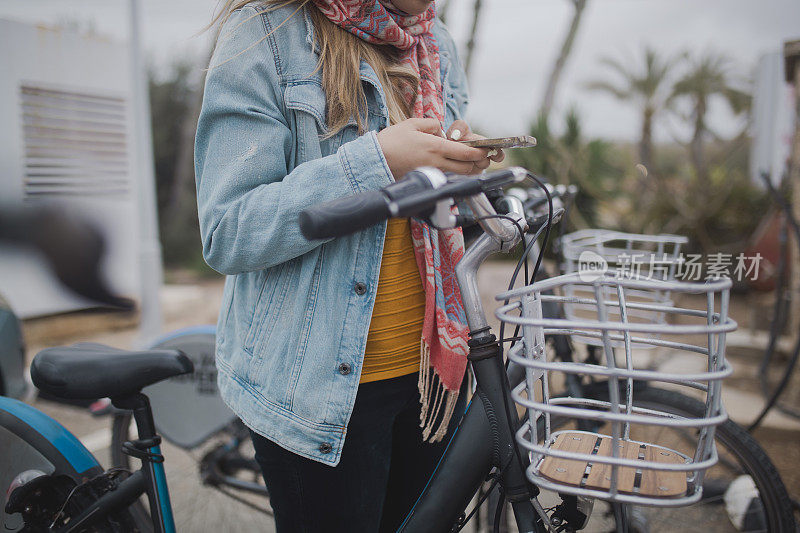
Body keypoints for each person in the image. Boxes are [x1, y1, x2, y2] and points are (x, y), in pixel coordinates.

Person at [195, 0, 503, 530]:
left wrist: (456, 164)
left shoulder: (437, 44)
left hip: (433, 381)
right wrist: (377, 161)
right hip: (316, 390)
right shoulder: (265, 34)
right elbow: (228, 230)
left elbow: (428, 202)